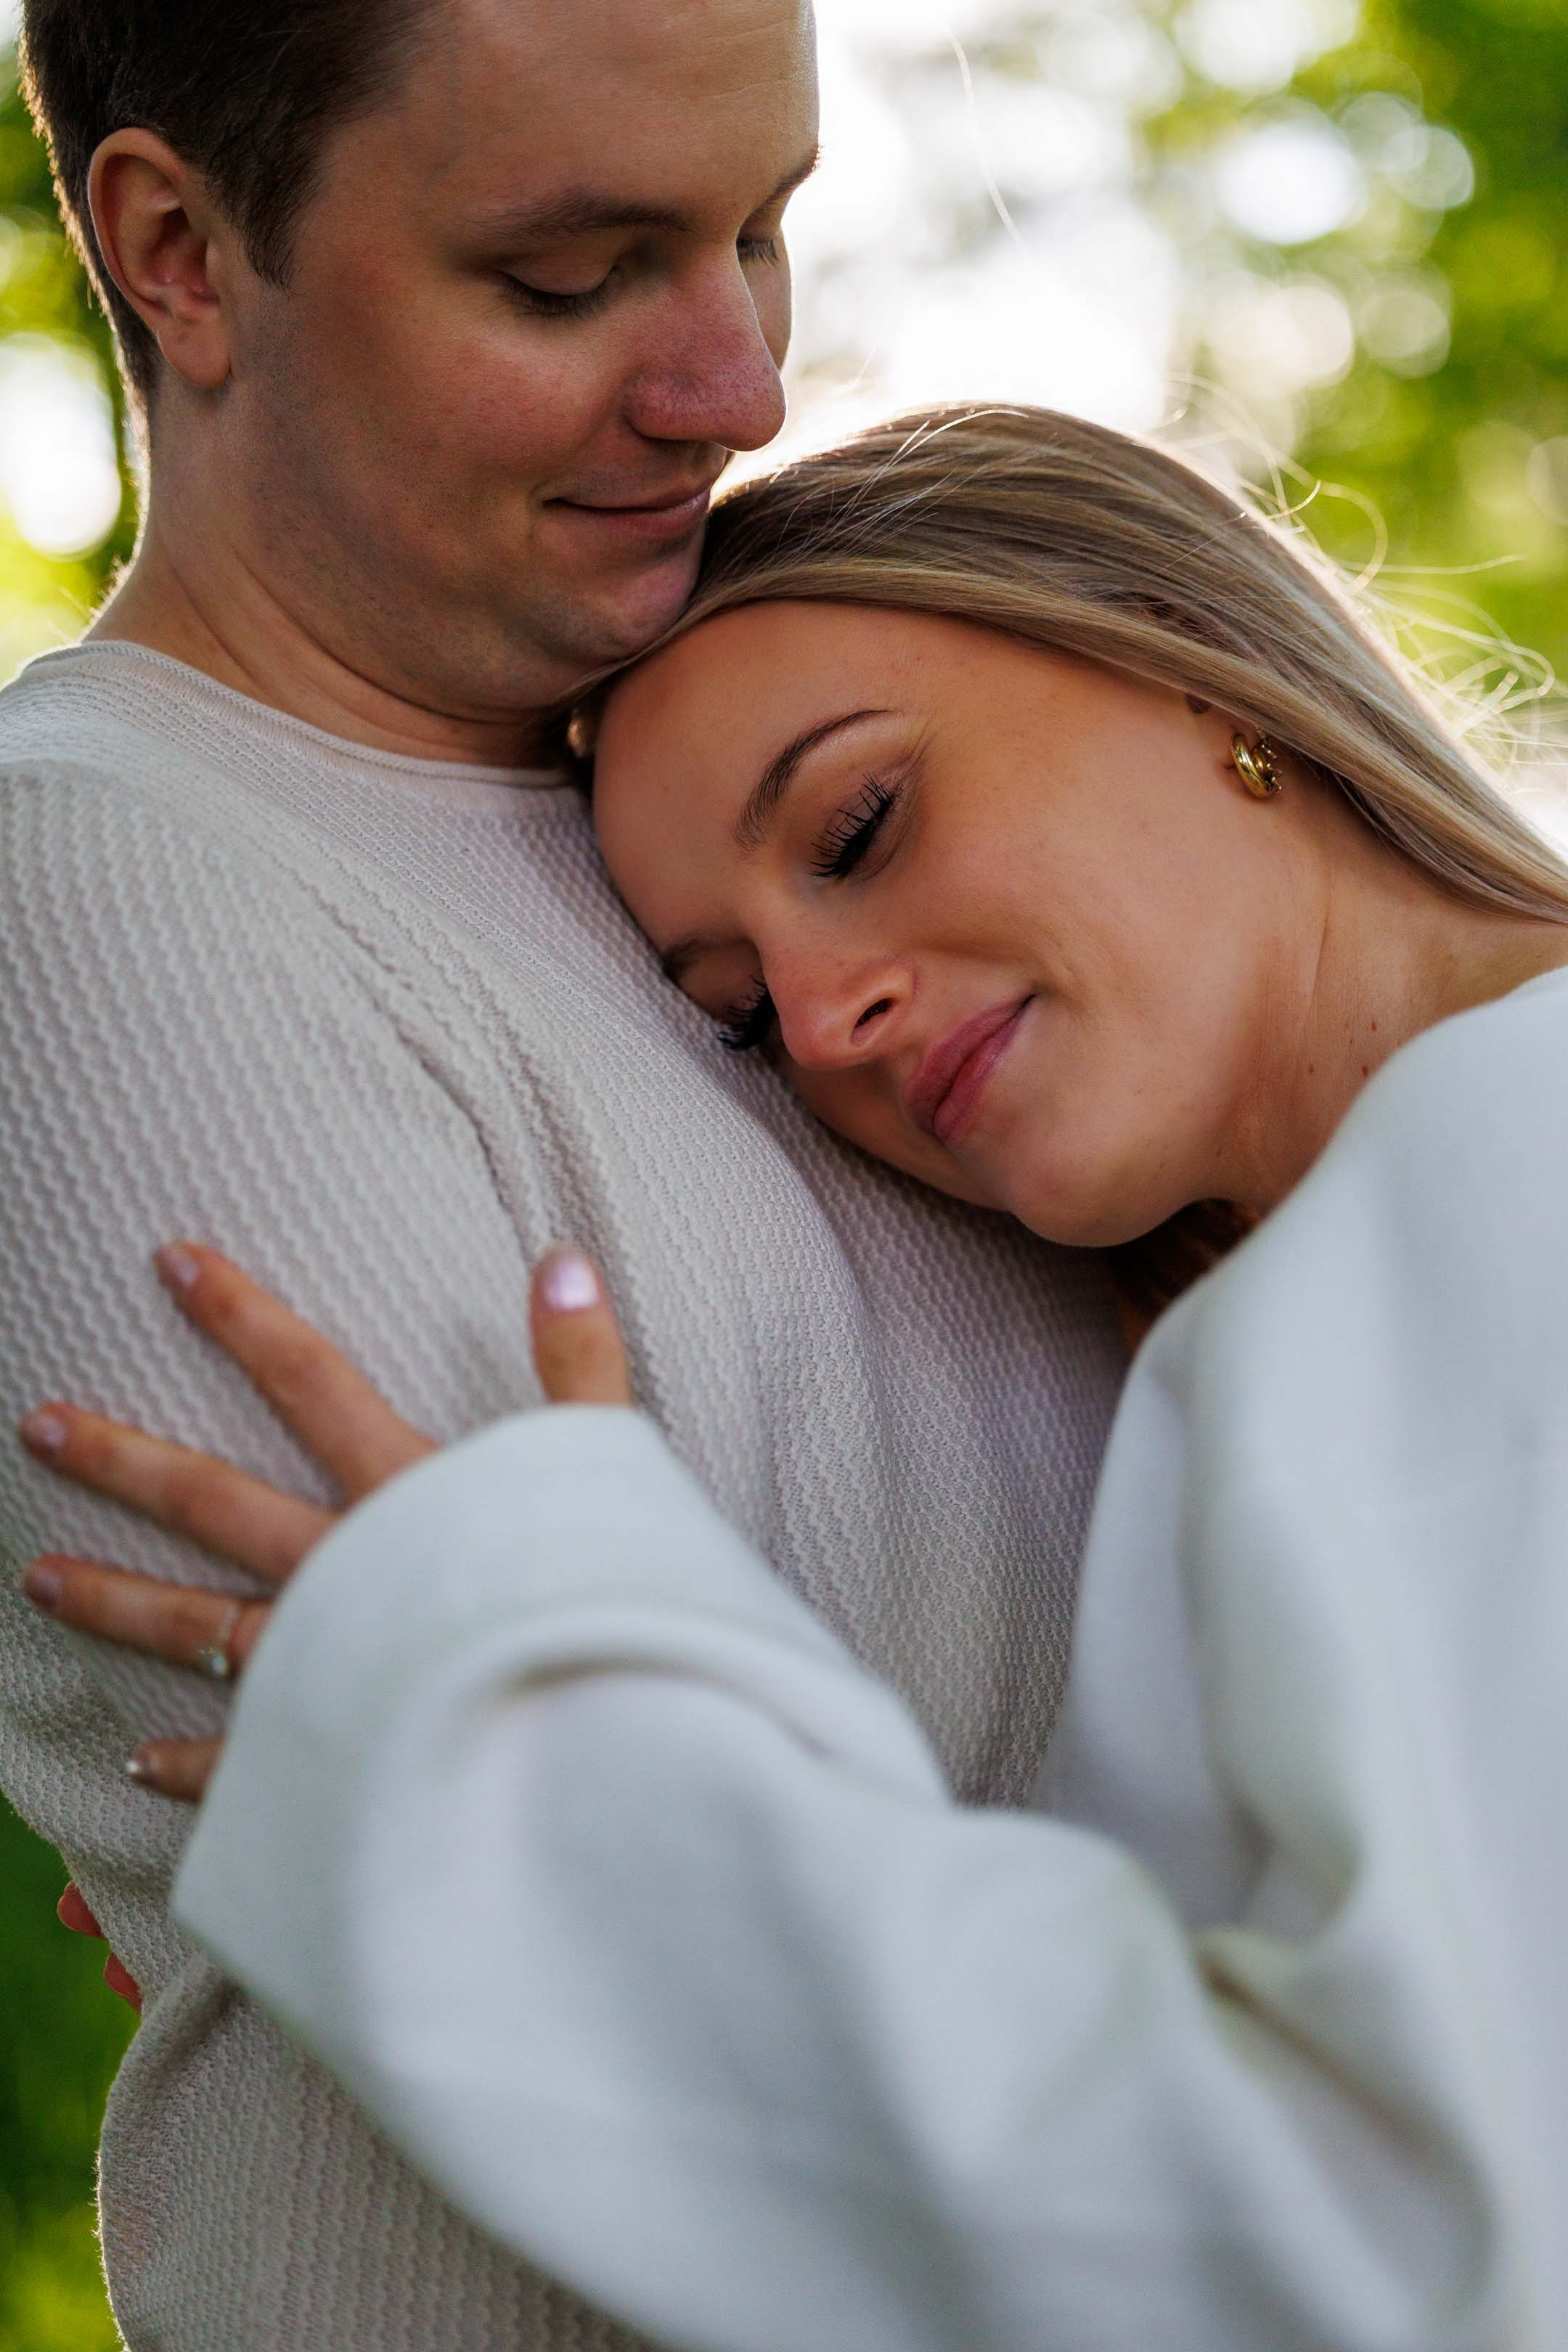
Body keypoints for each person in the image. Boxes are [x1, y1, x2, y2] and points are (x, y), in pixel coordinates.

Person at [21, 404, 1568, 2348]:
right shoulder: (1332, 1291)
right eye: (740, 1020)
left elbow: (1379, 2255)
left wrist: (497, 1799)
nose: (832, 1016)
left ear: (1181, 652)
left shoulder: (1500, 1165)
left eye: (857, 827)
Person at [0, 5, 1125, 2344]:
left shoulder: (774, 805)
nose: (741, 388)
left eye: (758, 232)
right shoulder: (99, 903)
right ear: (180, 253)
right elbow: (670, 2051)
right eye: (576, 273)